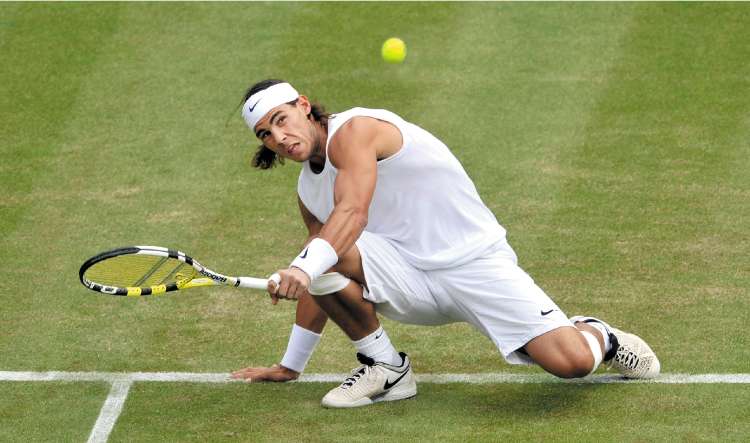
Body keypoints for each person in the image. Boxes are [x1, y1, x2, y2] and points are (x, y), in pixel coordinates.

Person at [230, 79, 660, 408]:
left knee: (572, 364)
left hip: (473, 263)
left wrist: (304, 268)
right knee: (320, 254)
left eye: (281, 119)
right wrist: (291, 364)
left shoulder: (357, 130)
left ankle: (601, 336)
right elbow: (321, 265)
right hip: (406, 279)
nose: (279, 137)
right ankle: (386, 367)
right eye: (266, 133)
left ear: (304, 107)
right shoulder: (308, 192)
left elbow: (353, 213)